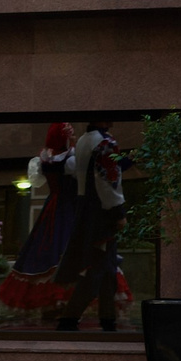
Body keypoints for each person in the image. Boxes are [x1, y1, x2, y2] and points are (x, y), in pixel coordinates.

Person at [52, 121, 130, 332]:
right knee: (99, 267)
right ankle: (70, 319)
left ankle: (107, 319)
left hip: (86, 208)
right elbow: (108, 180)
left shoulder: (86, 140)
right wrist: (118, 212)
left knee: (105, 268)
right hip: (100, 211)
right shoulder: (103, 141)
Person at [0, 123, 78, 317]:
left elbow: (39, 181)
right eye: (69, 134)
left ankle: (57, 304)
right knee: (63, 247)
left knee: (48, 248)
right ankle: (62, 303)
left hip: (53, 206)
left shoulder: (44, 159)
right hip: (69, 207)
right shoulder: (71, 159)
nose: (72, 136)